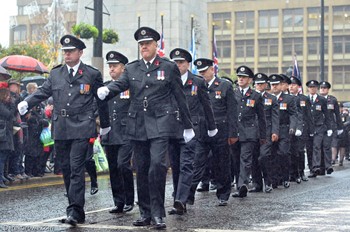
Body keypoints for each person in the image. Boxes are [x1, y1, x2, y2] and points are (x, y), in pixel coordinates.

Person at [97, 27, 194, 230]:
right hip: (137, 124)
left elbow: (180, 97)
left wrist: (187, 126)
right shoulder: (132, 68)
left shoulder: (168, 67)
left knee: (157, 166)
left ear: (155, 45)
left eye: (147, 44)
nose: (144, 47)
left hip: (161, 124)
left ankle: (158, 213)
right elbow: (121, 84)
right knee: (141, 169)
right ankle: (146, 213)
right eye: (141, 44)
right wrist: (108, 90)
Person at [17, 34, 110, 227]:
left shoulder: (91, 74)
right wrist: (27, 101)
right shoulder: (56, 73)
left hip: (82, 127)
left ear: (80, 52)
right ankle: (76, 209)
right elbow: (43, 92)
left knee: (76, 168)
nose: (67, 55)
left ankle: (74, 211)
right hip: (61, 128)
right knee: (66, 169)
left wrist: (106, 124)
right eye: (65, 52)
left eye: (70, 51)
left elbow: (101, 101)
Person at [167, 49, 217, 214]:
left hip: (192, 129)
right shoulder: (167, 81)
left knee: (187, 164)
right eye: (175, 62)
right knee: (175, 165)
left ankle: (181, 200)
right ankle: (179, 198)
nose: (178, 65)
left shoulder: (197, 82)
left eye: (181, 62)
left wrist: (211, 127)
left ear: (188, 64)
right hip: (172, 128)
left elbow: (207, 106)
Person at [186, 57, 238, 206]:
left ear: (212, 69)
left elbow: (232, 112)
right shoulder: (195, 86)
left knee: (221, 164)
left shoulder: (224, 85)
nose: (202, 74)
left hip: (220, 131)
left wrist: (233, 134)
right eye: (199, 72)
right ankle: (188, 195)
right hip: (201, 131)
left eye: (204, 71)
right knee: (196, 163)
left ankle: (223, 194)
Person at [100, 51, 135, 214]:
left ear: (123, 68)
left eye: (115, 66)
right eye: (110, 66)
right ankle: (118, 202)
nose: (111, 69)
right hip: (110, 133)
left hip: (127, 132)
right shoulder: (105, 87)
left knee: (123, 165)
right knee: (113, 168)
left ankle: (129, 199)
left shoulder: (130, 86)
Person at [231, 65, 266, 198]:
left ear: (250, 80)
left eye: (244, 77)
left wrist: (262, 136)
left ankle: (242, 185)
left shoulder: (256, 96)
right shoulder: (233, 93)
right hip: (235, 132)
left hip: (249, 132)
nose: (240, 79)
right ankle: (238, 183)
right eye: (239, 77)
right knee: (235, 160)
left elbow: (261, 118)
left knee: (245, 159)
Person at [268, 74, 298, 188]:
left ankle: (285, 177)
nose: (274, 87)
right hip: (270, 130)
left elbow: (293, 114)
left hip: (284, 129)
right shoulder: (267, 98)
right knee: (272, 155)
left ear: (282, 85)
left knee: (283, 153)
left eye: (276, 85)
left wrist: (292, 127)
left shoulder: (289, 99)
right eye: (272, 85)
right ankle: (275, 179)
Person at [252, 73, 279, 193]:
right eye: (257, 83)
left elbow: (275, 117)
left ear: (266, 84)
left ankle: (268, 182)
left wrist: (275, 132)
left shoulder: (271, 98)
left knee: (263, 157)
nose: (259, 85)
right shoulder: (250, 96)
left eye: (261, 83)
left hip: (267, 132)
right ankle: (257, 184)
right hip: (252, 132)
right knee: (253, 158)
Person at [305, 80, 332, 178]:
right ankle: (312, 168)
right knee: (309, 148)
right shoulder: (305, 99)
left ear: (317, 88)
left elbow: (327, 115)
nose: (312, 88)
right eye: (310, 87)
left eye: (314, 87)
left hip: (319, 126)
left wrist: (329, 128)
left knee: (316, 146)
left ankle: (316, 167)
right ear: (308, 88)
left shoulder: (322, 100)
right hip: (308, 127)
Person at [0, 87, 16, 188]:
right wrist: (13, 105)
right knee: (1, 158)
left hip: (6, 133)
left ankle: (3, 175)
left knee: (4, 156)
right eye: (7, 96)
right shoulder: (1, 105)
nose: (9, 98)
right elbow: (9, 114)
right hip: (2, 134)